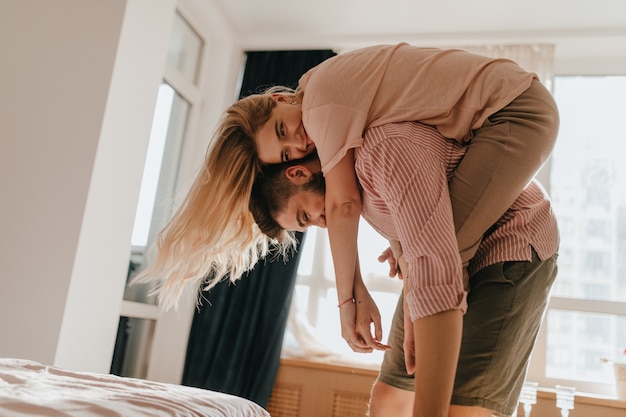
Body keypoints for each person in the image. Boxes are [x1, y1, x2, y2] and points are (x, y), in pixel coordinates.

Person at [134, 43, 559, 322]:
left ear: (279, 101)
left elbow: (343, 206)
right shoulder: (326, 102)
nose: (299, 143)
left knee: (442, 256)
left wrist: (346, 303)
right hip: (500, 114)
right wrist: (398, 243)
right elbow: (392, 176)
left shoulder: (319, 101)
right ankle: (420, 345)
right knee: (430, 253)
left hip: (517, 111)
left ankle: (422, 350)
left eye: (283, 131)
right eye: (285, 154)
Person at [249, 121, 559, 417]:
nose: (321, 223)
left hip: (513, 235)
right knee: (390, 395)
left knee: (462, 405)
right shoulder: (357, 191)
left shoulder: (380, 153)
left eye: (306, 216)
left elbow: (434, 257)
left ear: (299, 172)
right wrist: (400, 245)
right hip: (446, 247)